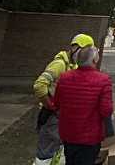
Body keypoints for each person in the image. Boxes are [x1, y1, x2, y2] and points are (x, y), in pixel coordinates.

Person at [33, 33, 95, 165]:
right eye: (85, 51)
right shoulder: (59, 64)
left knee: (59, 151)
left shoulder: (73, 66)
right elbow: (39, 85)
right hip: (51, 116)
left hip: (63, 117)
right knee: (46, 153)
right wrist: (50, 105)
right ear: (76, 48)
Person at [53, 44, 113, 165]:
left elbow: (57, 103)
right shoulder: (103, 80)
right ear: (94, 60)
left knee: (70, 161)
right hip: (90, 137)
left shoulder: (64, 77)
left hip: (68, 134)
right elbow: (106, 110)